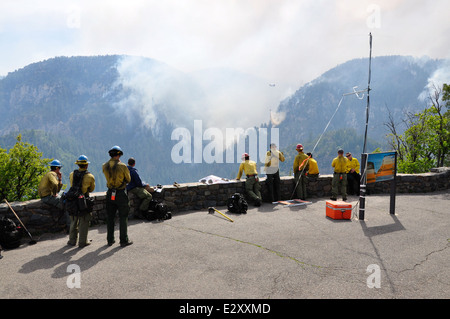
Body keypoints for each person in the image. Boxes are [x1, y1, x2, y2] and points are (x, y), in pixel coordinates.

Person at [102, 146, 133, 247]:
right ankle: (123, 240)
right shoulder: (122, 166)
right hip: (120, 193)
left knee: (110, 217)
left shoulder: (104, 166)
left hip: (110, 193)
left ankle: (110, 239)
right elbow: (128, 179)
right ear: (118, 155)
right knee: (123, 217)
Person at [67, 155, 96, 248]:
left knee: (73, 220)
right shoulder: (90, 176)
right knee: (84, 220)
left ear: (78, 165)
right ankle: (82, 241)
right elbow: (91, 189)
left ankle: (72, 241)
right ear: (86, 165)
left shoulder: (72, 174)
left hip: (72, 200)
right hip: (83, 200)